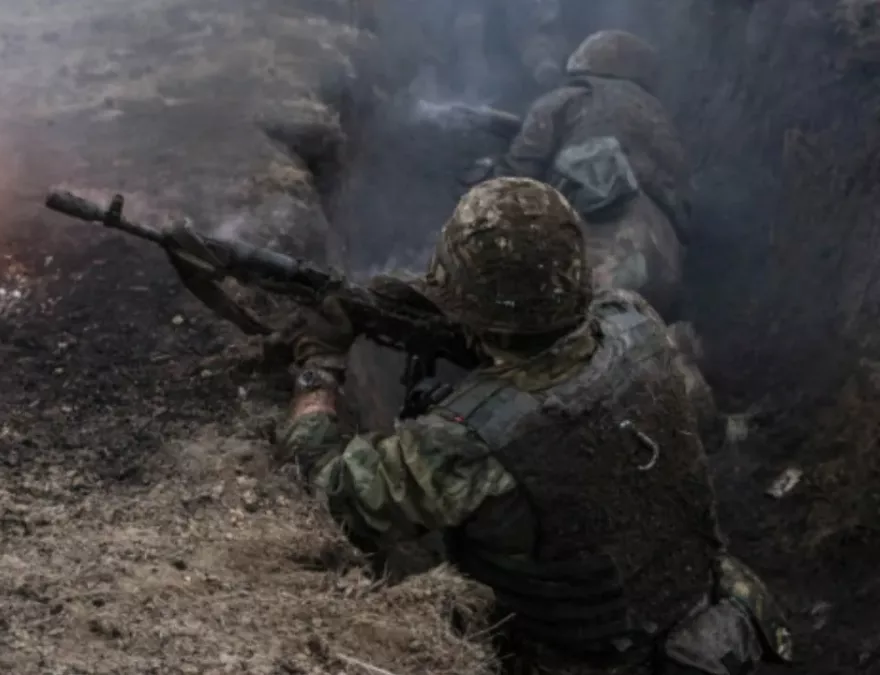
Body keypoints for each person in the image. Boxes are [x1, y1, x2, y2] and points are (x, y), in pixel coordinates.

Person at [276, 178, 791, 674]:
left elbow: (327, 486)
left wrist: (319, 365)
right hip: (705, 613)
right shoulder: (635, 320)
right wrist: (407, 303)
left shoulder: (470, 443)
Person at [482, 29, 689, 321]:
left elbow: (518, 174)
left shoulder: (568, 98)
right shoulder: (660, 118)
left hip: (595, 251)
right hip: (665, 259)